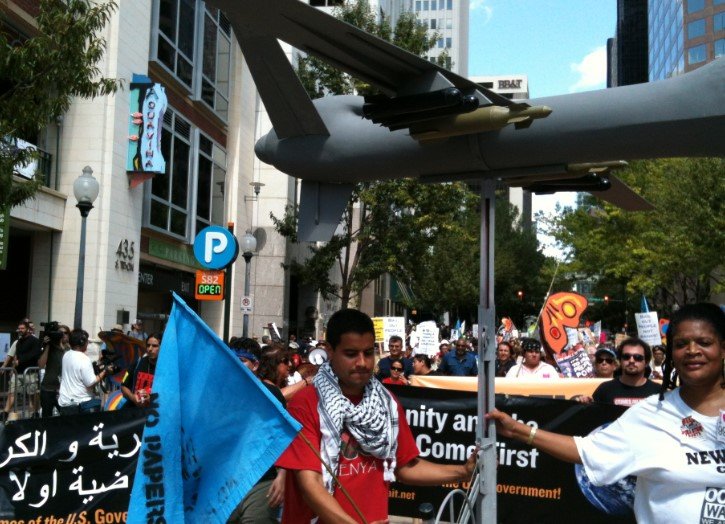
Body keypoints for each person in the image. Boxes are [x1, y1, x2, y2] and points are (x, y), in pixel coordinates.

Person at [487, 302, 725, 524]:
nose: (692, 351)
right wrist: (518, 430)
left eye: (704, 342)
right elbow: (587, 451)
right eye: (682, 344)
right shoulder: (651, 413)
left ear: (722, 348)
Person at [276, 309, 477, 523]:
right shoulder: (305, 404)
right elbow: (311, 484)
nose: (362, 363)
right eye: (351, 354)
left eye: (368, 352)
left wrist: (463, 471)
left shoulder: (386, 403)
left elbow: (406, 467)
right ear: (330, 351)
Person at [228, 339, 286, 524]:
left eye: (243, 360)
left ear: (255, 364)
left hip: (262, 482)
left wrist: (283, 475)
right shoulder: (220, 394)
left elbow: (284, 437)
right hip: (226, 485)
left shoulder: (271, 394)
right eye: (233, 358)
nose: (237, 363)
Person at [577, 338, 661, 406]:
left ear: (646, 362)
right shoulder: (604, 389)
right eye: (626, 356)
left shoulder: (658, 391)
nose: (631, 360)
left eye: (637, 357)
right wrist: (584, 403)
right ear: (620, 360)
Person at [58, 329, 112, 414]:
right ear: (82, 342)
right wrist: (105, 371)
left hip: (65, 403)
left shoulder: (66, 354)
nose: (87, 344)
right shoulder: (84, 359)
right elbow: (90, 383)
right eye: (87, 341)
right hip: (80, 405)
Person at [2, 320, 43, 419]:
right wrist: (13, 368)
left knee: (32, 395)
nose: (20, 330)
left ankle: (35, 413)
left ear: (28, 329)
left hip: (30, 373)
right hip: (18, 372)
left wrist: (21, 361)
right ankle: (5, 413)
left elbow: (35, 355)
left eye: (22, 328)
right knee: (11, 392)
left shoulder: (35, 341)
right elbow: (14, 355)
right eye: (19, 328)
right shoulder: (18, 341)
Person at [38, 324, 70, 417]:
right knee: (46, 418)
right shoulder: (50, 347)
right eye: (60, 333)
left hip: (64, 390)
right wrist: (47, 345)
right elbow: (41, 364)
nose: (63, 335)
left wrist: (62, 346)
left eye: (65, 333)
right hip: (48, 388)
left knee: (66, 419)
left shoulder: (70, 349)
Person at [121, 333, 161, 408]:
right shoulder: (137, 363)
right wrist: (133, 397)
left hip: (154, 413)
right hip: (133, 411)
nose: (150, 349)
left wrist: (152, 399)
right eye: (148, 345)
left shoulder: (166, 369)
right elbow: (123, 386)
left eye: (154, 346)